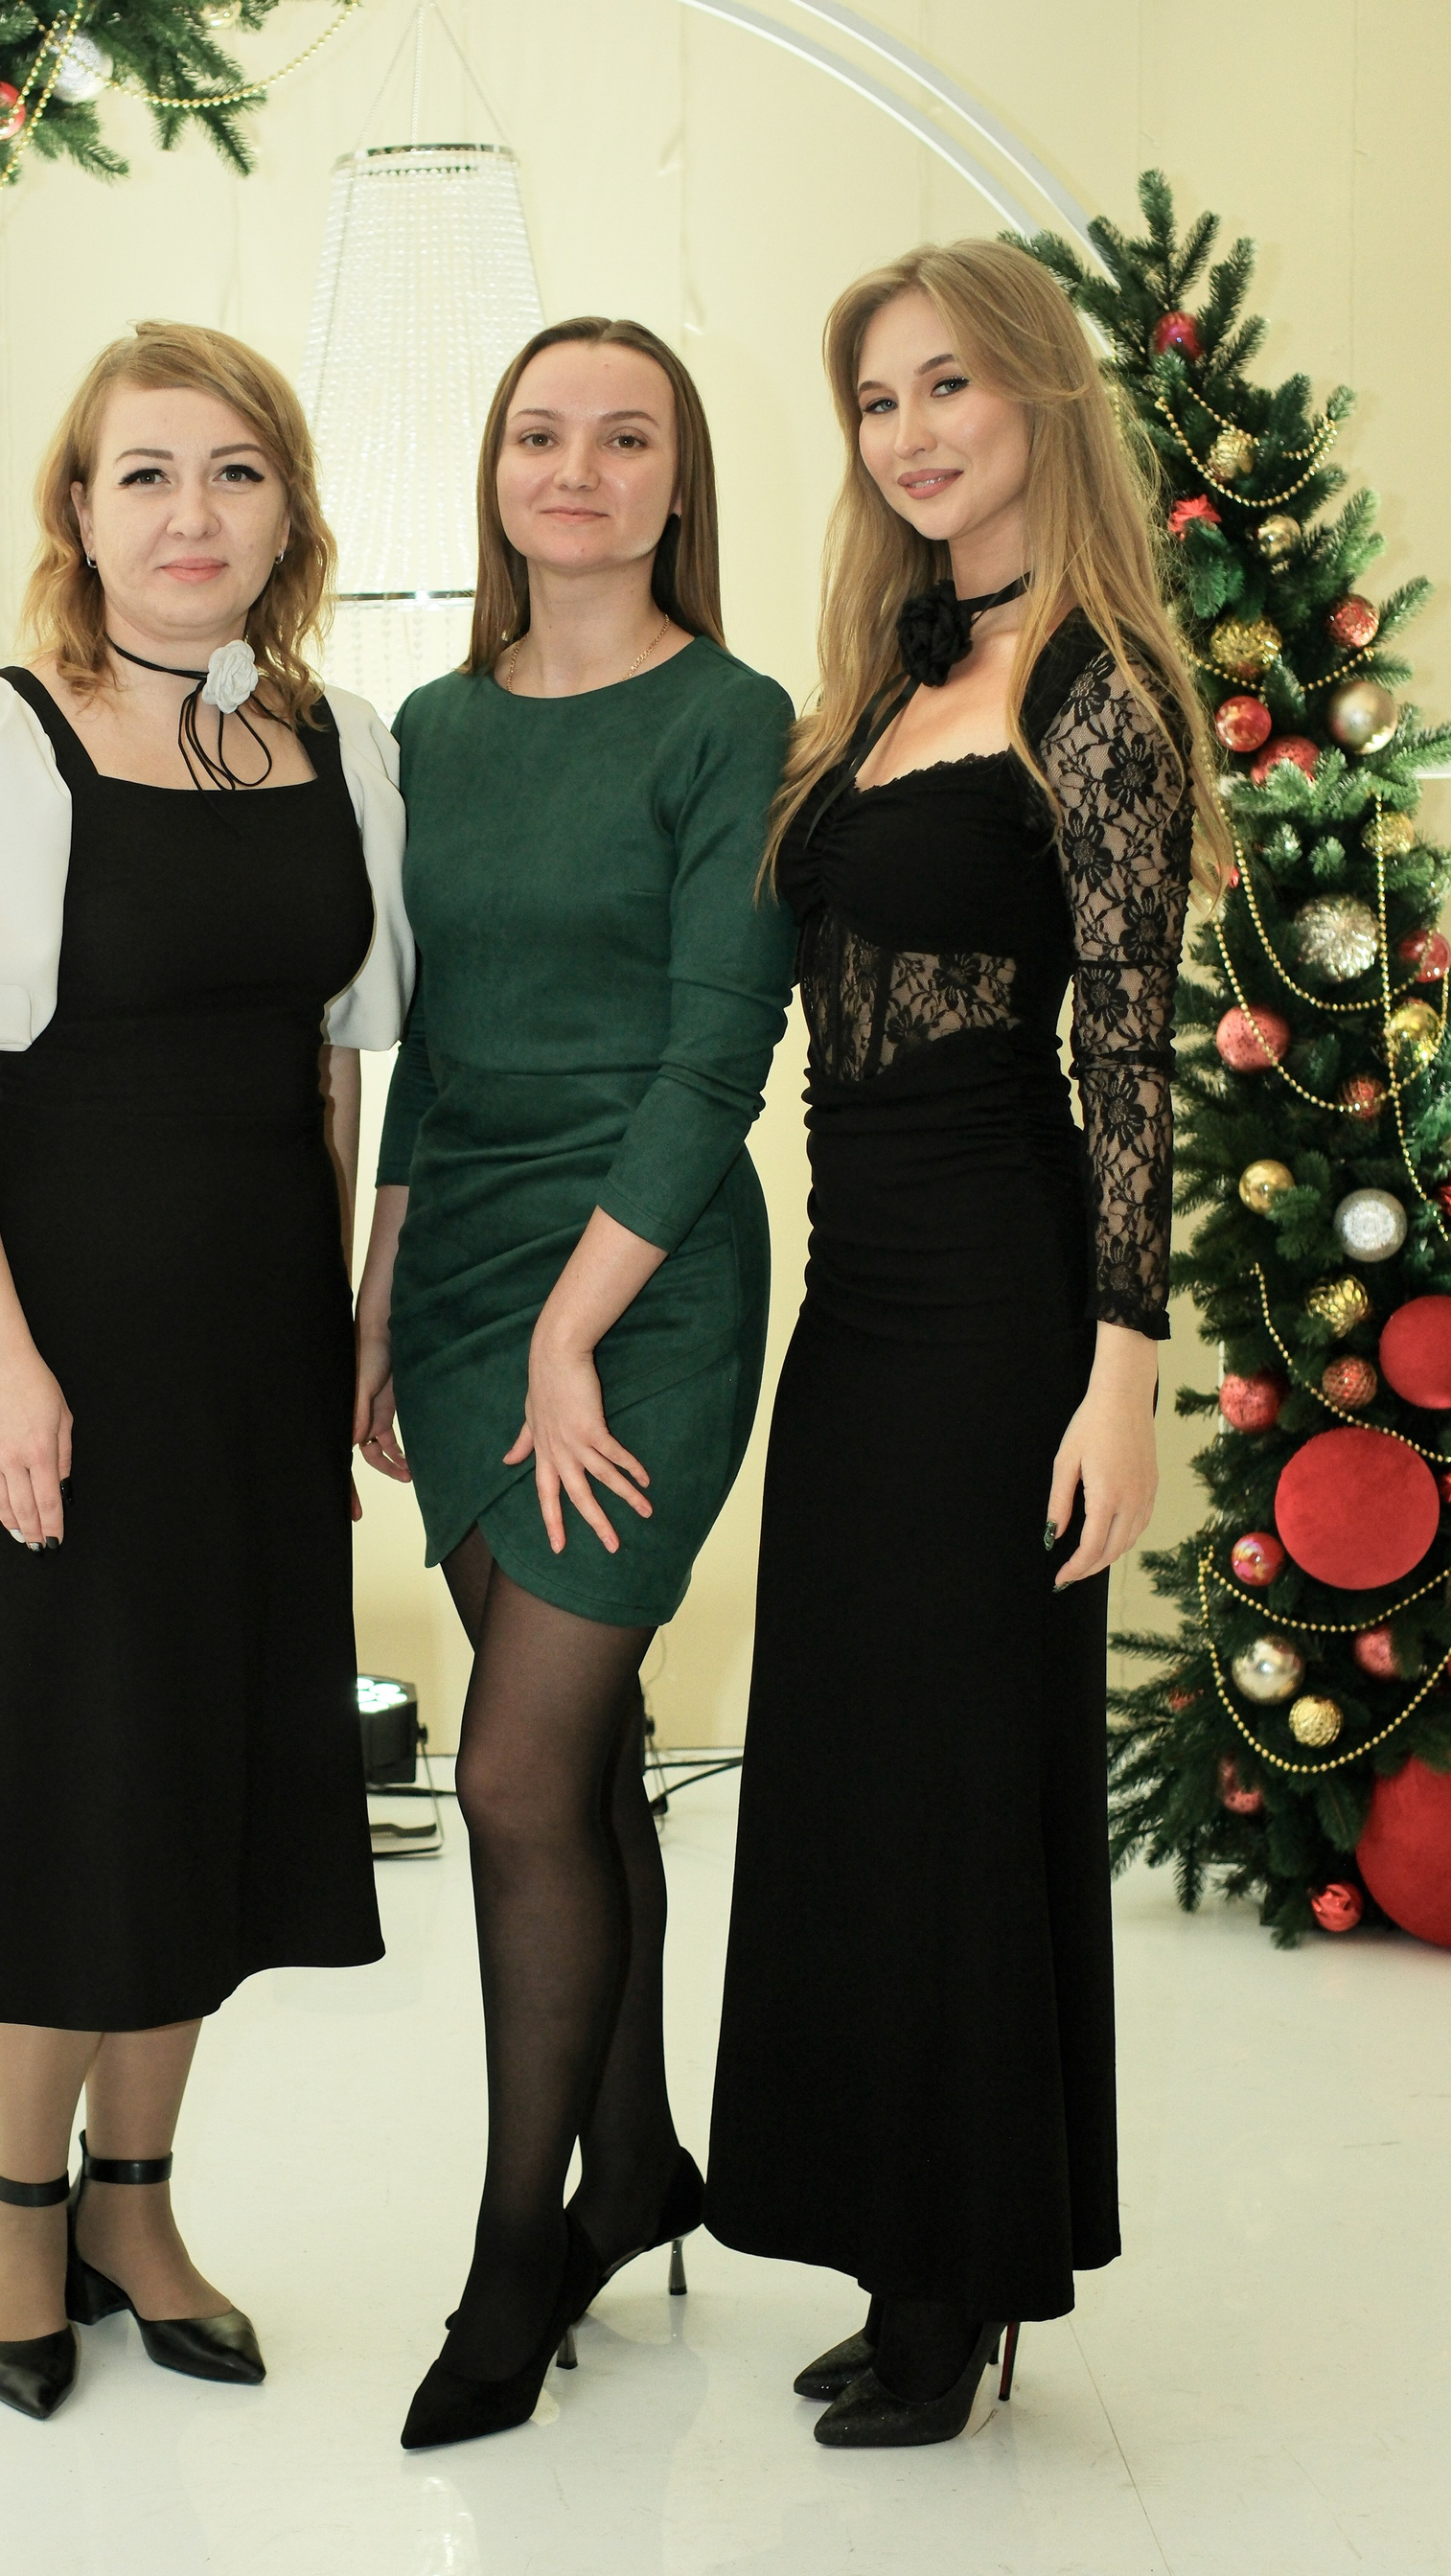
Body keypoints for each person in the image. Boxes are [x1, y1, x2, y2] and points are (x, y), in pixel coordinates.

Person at [0, 322, 410, 2422]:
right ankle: (21, 2203)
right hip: (53, 1323)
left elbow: (339, 1064)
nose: (190, 513)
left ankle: (141, 2205)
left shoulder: (338, 743)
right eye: (144, 473)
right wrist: (2, 1365)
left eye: (236, 471)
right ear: (77, 511)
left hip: (255, 1336)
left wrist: (350, 1325)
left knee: (211, 1763)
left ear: (289, 511)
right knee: (64, 1766)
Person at [705, 240, 1221, 2447]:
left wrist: (1122, 1381)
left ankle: (965, 2277)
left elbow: (1132, 1061)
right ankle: (891, 2239)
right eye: (876, 399)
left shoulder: (1099, 689)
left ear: (1038, 399)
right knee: (857, 1768)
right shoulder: (894, 667)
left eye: (948, 387)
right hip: (859, 1300)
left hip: (1005, 1308)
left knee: (959, 1779)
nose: (909, 433)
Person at [355, 316, 795, 2450]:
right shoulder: (431, 727)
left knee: (517, 1777)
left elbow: (720, 1058)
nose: (579, 470)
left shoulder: (734, 718)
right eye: (541, 433)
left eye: (628, 438)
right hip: (464, 1283)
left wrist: (568, 1332)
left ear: (678, 482)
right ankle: (636, 2167)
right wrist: (382, 1302)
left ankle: (514, 2251)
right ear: (495, 469)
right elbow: (426, 1047)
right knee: (586, 1756)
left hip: (650, 1277)